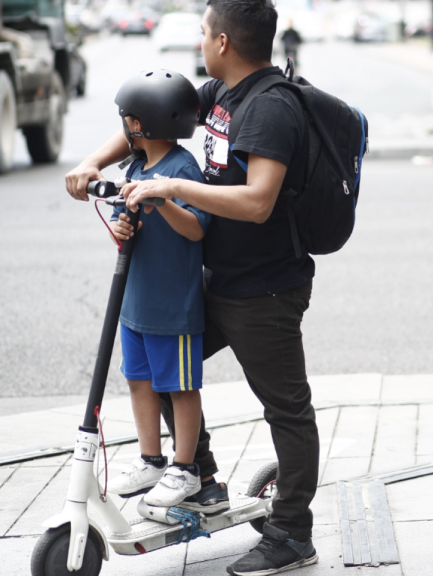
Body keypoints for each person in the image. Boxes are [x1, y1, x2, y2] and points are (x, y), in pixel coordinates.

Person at [66, 0, 321, 573]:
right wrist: (91, 162)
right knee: (158, 367)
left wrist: (166, 191)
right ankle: (196, 475)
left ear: (224, 42)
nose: (200, 42)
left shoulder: (270, 108)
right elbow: (144, 126)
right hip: (213, 278)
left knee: (286, 408)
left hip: (265, 288)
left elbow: (257, 202)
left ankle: (292, 532)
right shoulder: (219, 93)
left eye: (204, 33)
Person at [104, 71, 212, 511]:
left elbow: (196, 229)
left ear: (141, 124)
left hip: (173, 308)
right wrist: (121, 225)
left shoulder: (181, 170)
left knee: (180, 388)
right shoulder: (135, 165)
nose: (123, 126)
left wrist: (162, 199)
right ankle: (152, 458)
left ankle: (186, 468)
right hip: (136, 302)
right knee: (139, 381)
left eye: (126, 119)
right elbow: (124, 225)